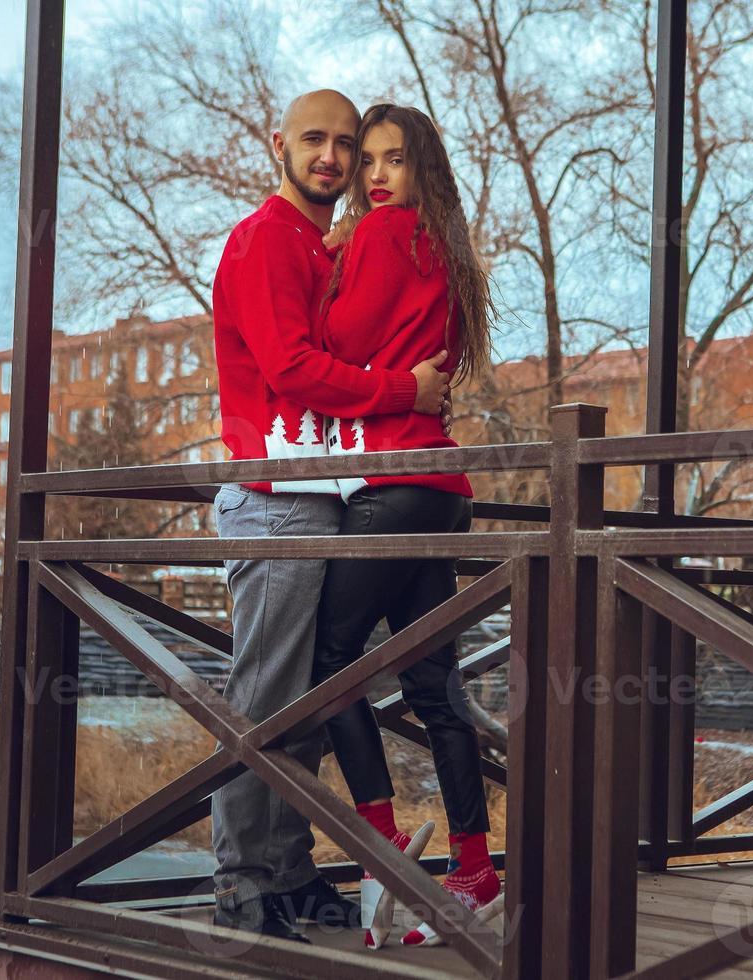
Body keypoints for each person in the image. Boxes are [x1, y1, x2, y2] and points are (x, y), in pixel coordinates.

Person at [208, 89, 452, 943]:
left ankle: (290, 871)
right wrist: (404, 392)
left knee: (307, 699)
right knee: (266, 700)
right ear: (278, 143)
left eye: (347, 144)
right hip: (274, 501)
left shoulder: (321, 243)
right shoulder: (268, 239)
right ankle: (243, 887)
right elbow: (293, 369)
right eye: (315, 140)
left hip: (326, 500)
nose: (334, 158)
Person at [308, 103, 499, 949]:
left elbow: (335, 342)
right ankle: (475, 871)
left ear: (423, 172)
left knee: (328, 660)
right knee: (432, 688)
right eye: (369, 161)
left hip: (392, 481)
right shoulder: (449, 251)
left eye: (395, 160)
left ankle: (380, 841)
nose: (376, 175)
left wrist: (332, 260)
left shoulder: (385, 235)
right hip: (441, 486)